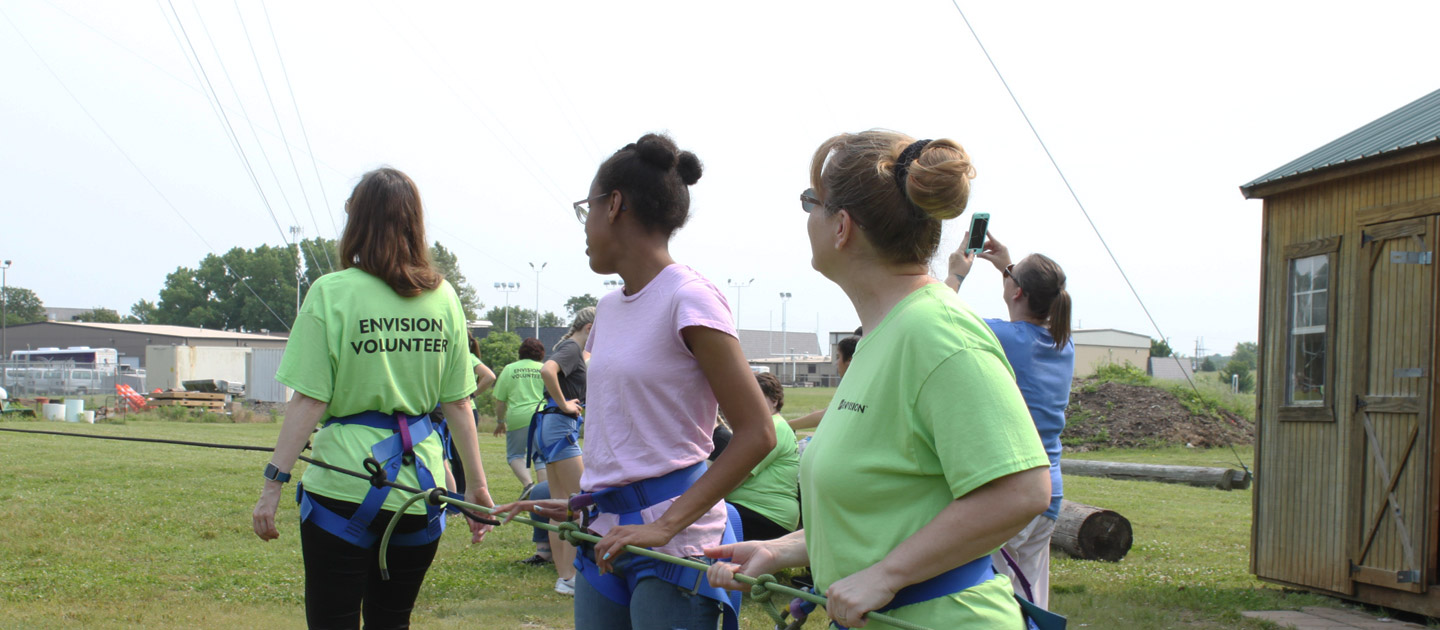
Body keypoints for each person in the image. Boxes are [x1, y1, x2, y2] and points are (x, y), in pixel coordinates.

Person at [704, 130, 1051, 629]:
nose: (806, 218)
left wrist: (887, 575)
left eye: (811, 202)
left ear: (841, 226)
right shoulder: (884, 335)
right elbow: (888, 509)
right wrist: (780, 550)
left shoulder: (938, 331)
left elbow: (1022, 490)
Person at [497, 132, 774, 630]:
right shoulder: (607, 307)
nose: (584, 225)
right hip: (603, 535)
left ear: (614, 204)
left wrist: (666, 524)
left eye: (588, 207)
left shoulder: (690, 298)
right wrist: (585, 499)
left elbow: (758, 432)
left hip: (675, 544)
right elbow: (626, 432)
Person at [251, 167, 493, 629]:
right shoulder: (442, 297)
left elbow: (309, 401)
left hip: (341, 487)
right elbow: (459, 403)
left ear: (356, 221)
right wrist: (475, 489)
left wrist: (271, 488)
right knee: (392, 621)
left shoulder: (331, 293)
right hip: (418, 492)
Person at [947, 234, 1074, 610]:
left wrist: (957, 274)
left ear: (1017, 293)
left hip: (1013, 490)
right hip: (1049, 491)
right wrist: (1007, 267)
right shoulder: (1062, 342)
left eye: (1012, 278)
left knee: (997, 601)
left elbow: (938, 315)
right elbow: (1033, 296)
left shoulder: (1006, 337)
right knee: (1031, 598)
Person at [531, 307, 594, 595]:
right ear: (590, 327)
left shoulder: (574, 348)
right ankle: (572, 575)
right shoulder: (571, 347)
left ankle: (565, 576)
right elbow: (547, 370)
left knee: (561, 505)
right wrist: (566, 403)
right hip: (559, 426)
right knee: (580, 504)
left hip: (552, 427)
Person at [726, 372, 800, 541]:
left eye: (757, 397)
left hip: (766, 514)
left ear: (774, 401)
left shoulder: (771, 428)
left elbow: (735, 475)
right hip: (762, 512)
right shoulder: (774, 426)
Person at [492, 337, 549, 495]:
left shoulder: (510, 369)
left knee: (515, 454)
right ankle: (544, 493)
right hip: (542, 416)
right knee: (541, 457)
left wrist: (500, 421)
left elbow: (500, 400)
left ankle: (528, 485)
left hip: (518, 417)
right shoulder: (545, 368)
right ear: (541, 353)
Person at [444, 336, 497, 496]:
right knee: (454, 456)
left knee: (460, 457)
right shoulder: (465, 356)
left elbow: (489, 376)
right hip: (458, 409)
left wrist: (472, 394)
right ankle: (460, 493)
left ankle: (462, 493)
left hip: (462, 410)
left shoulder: (467, 357)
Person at [786, 332, 859, 431]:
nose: (836, 363)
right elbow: (825, 415)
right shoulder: (849, 387)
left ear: (849, 361)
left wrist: (785, 426)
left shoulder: (860, 390)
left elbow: (824, 416)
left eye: (838, 357)